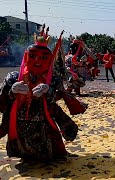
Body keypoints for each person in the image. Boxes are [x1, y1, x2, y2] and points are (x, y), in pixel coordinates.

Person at [0, 26, 80, 162]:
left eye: (44, 57)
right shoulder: (13, 77)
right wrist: (12, 90)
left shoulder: (53, 79)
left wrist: (48, 91)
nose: (37, 61)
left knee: (48, 153)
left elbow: (59, 97)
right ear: (26, 56)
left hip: (43, 120)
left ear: (50, 60)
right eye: (33, 56)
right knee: (24, 152)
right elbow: (2, 101)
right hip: (19, 120)